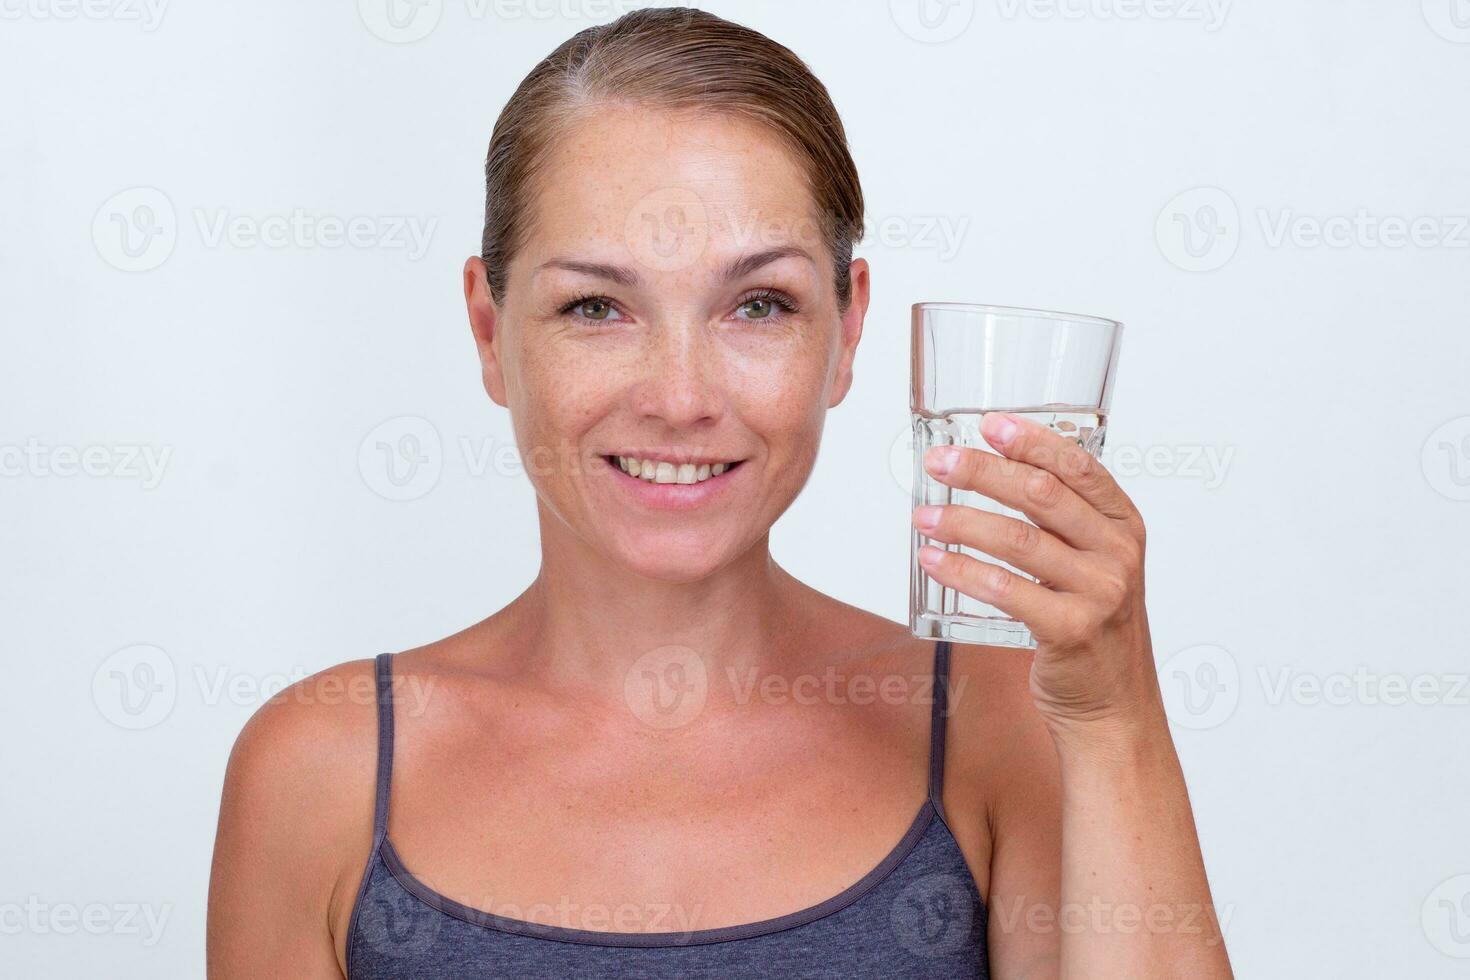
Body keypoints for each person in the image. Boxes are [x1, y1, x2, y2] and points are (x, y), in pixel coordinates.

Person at [206, 8, 1234, 978]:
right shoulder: (321, 772)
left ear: (847, 330)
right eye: (597, 305)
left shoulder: (1004, 723)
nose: (681, 396)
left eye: (758, 304)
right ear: (489, 331)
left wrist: (1114, 712)